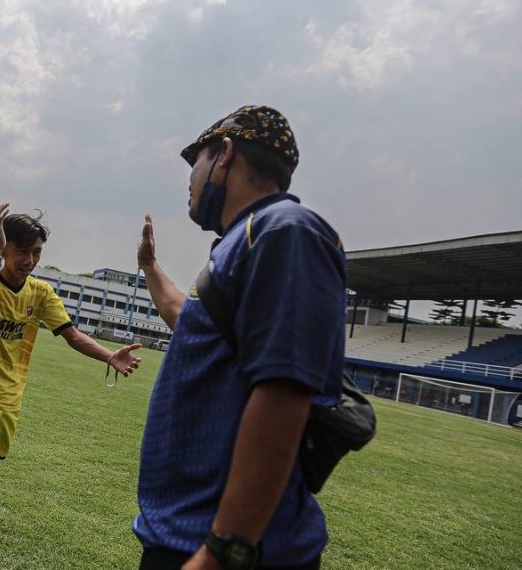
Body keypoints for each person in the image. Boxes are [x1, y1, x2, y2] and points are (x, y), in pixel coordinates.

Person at [133, 106, 346, 570]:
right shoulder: (247, 238)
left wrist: (225, 549)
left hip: (228, 551)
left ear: (224, 154)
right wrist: (150, 268)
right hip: (185, 536)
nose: (189, 182)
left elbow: (283, 392)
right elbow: (190, 322)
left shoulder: (286, 232)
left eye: (195, 164)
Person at [0, 204, 142, 570]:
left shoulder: (42, 294)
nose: (31, 260)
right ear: (3, 248)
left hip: (8, 399)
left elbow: (72, 335)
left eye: (37, 252)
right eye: (22, 250)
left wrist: (109, 356)